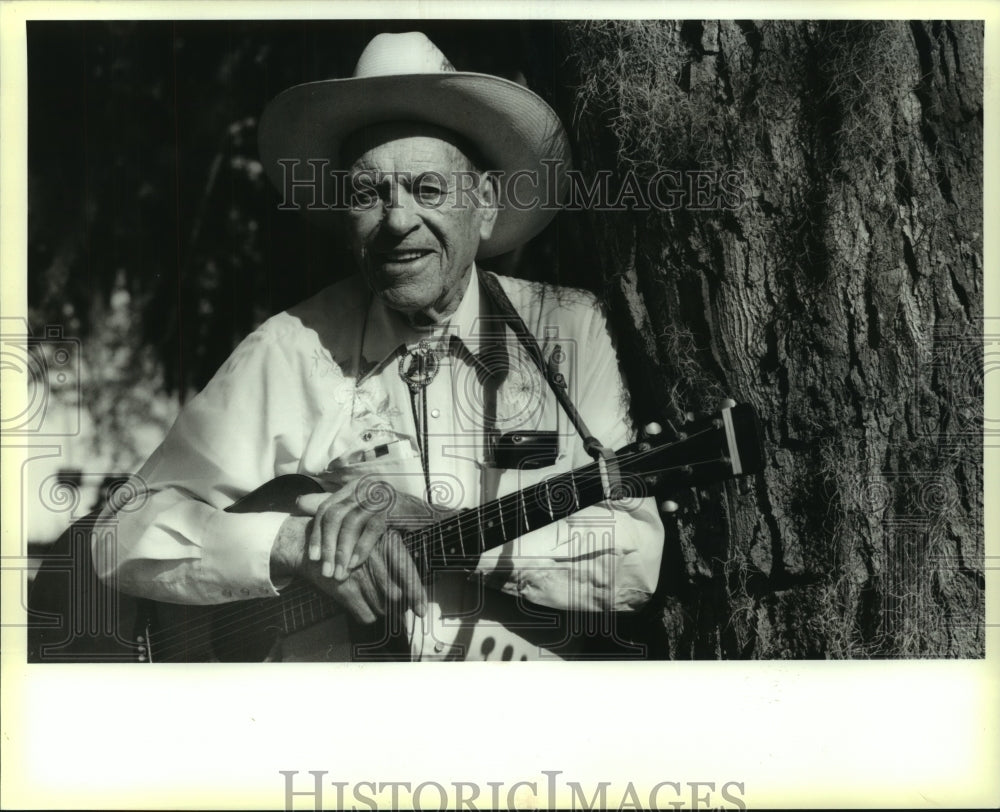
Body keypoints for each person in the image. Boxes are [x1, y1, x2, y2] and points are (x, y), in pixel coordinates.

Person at [94, 31, 664, 661]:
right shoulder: (292, 349)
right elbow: (120, 533)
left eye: (428, 189)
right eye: (369, 195)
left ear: (486, 207)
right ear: (346, 217)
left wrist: (448, 535)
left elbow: (636, 558)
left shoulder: (572, 329)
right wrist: (291, 547)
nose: (397, 222)